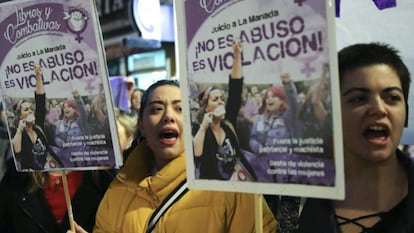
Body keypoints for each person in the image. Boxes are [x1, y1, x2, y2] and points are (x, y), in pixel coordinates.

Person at [90, 79, 276, 232]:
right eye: (156, 109)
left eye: (180, 109)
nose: (168, 116)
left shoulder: (231, 185)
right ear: (141, 124)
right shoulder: (119, 188)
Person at [297, 42, 413, 232]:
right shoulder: (314, 199)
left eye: (391, 97)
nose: (379, 109)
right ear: (333, 112)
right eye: (359, 98)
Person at [193, 40, 255, 181]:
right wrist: (203, 127)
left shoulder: (228, 123)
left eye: (221, 98)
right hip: (212, 191)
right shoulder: (198, 128)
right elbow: (196, 154)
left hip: (237, 184)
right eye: (215, 99)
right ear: (206, 107)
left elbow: (235, 88)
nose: (221, 101)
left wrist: (237, 55)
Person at [248, 73, 300, 183]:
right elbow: (252, 139)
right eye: (267, 97)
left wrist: (287, 84)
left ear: (281, 100)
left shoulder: (288, 118)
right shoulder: (259, 119)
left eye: (273, 96)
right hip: (262, 169)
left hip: (283, 168)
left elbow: (294, 104)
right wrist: (258, 147)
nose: (269, 99)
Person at [11, 65, 61, 170]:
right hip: (33, 176)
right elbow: (17, 152)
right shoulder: (16, 132)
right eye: (26, 109)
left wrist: (38, 76)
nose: (30, 111)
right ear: (20, 116)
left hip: (48, 168)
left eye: (31, 108)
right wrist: (20, 130)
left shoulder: (38, 126)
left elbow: (40, 100)